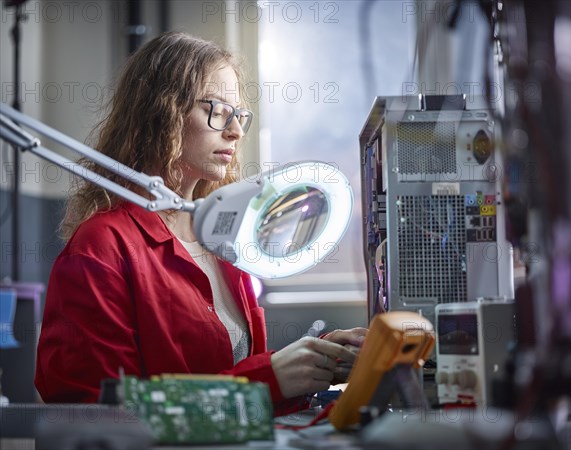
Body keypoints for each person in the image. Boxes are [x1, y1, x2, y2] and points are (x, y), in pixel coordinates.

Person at [34, 31, 367, 415]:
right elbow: (95, 415)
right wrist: (269, 379)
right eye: (218, 110)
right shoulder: (102, 248)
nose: (236, 131)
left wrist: (319, 359)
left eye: (239, 114)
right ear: (162, 112)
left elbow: (233, 376)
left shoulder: (224, 240)